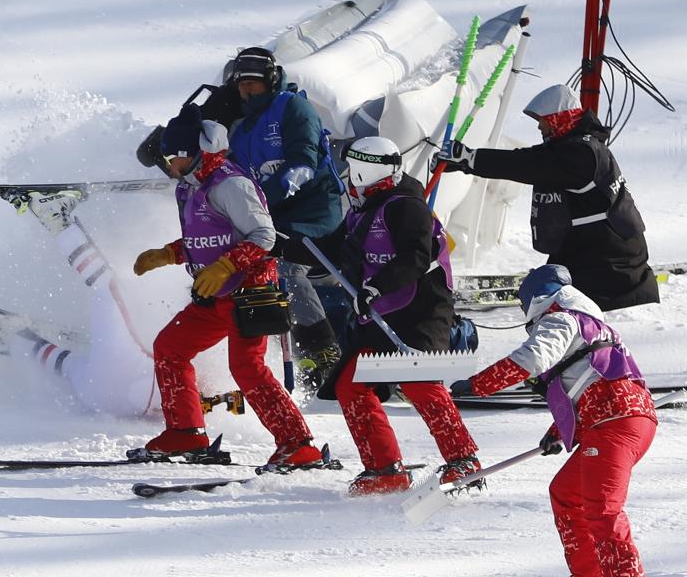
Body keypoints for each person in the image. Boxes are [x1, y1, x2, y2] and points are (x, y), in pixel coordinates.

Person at [276, 136, 480, 494]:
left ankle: (463, 460)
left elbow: (414, 257)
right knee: (351, 385)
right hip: (383, 311)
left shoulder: (406, 206)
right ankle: (385, 469)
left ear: (373, 171)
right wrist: (283, 246)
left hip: (419, 309)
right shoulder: (364, 208)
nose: (352, 177)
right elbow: (335, 250)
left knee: (419, 381)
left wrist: (376, 288)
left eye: (357, 170)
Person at [133, 103, 324, 468]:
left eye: (175, 156)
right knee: (170, 348)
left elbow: (264, 234)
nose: (169, 165)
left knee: (247, 368)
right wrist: (166, 254)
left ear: (199, 151)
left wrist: (226, 266)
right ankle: (185, 434)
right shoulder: (189, 187)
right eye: (167, 156)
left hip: (249, 294)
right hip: (212, 297)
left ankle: (298, 444)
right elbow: (206, 239)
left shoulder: (231, 184)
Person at [449, 264, 656, 577]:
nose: (523, 312)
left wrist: (479, 384)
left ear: (536, 298)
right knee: (566, 494)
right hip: (619, 420)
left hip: (614, 423)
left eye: (523, 303)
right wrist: (558, 430)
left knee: (602, 509)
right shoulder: (587, 323)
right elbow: (587, 380)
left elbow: (532, 359)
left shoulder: (559, 318)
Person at [432, 83, 658, 311]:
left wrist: (468, 159)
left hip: (613, 272)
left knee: (570, 324)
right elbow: (529, 158)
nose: (540, 127)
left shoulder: (582, 154)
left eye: (544, 121)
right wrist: (467, 160)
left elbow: (526, 165)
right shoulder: (572, 146)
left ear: (560, 118)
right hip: (593, 257)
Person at [226, 47, 347, 387]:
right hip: (272, 217)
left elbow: (305, 156)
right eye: (243, 85)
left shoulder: (293, 108)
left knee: (284, 268)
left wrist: (294, 177)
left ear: (272, 81)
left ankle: (323, 352)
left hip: (314, 212)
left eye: (256, 85)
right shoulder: (241, 130)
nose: (249, 92)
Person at [0, 187, 161, 417]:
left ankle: (54, 217)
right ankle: (17, 337)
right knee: (69, 365)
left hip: (130, 366)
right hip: (98, 399)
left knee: (105, 285)